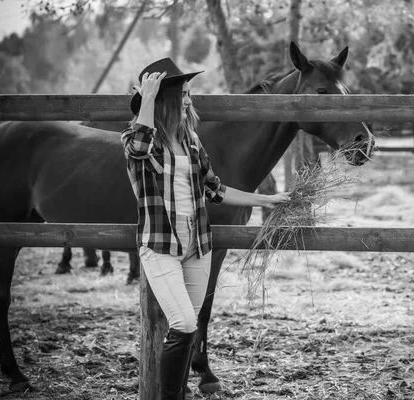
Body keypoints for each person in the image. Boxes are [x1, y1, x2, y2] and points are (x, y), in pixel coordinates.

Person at [121, 58, 290, 400]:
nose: (188, 100)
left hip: (197, 245)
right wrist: (148, 99)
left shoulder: (192, 141)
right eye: (182, 94)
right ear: (163, 99)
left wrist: (266, 200)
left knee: (191, 325)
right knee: (182, 325)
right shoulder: (140, 141)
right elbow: (137, 146)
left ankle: (179, 392)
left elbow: (217, 189)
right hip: (160, 247)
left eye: (189, 94)